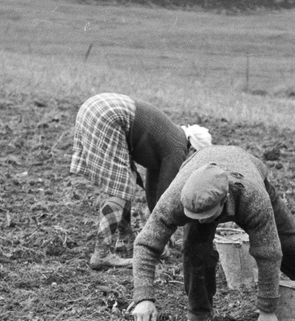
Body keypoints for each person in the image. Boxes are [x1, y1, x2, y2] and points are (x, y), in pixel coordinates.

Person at [129, 144, 295, 321]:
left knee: (291, 244)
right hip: (197, 167)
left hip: (246, 169)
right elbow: (146, 244)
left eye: (205, 216)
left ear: (224, 200)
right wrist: (143, 297)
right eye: (195, 216)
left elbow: (269, 252)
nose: (200, 220)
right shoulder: (176, 198)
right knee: (195, 249)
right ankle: (199, 315)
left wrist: (267, 310)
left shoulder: (254, 198)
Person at [69, 92, 212, 270]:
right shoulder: (177, 148)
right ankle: (101, 255)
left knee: (124, 181)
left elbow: (153, 191)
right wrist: (161, 237)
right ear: (193, 150)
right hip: (109, 115)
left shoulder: (170, 140)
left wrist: (159, 231)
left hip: (95, 107)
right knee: (120, 188)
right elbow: (166, 197)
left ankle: (126, 238)